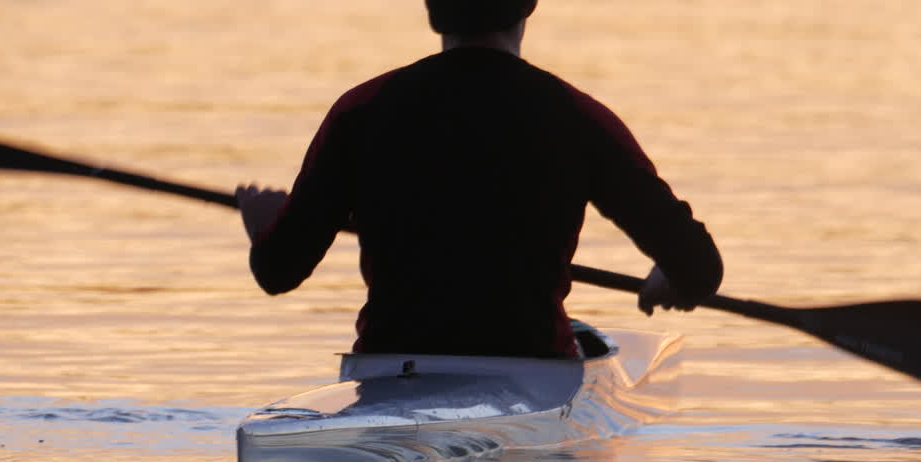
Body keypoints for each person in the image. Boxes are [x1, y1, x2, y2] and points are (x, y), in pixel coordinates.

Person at [236, 0, 722, 358]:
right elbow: (701, 268)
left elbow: (278, 271)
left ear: (431, 11)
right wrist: (671, 277)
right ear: (529, 6)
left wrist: (263, 225)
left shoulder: (360, 111)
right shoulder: (577, 117)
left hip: (389, 370)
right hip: (533, 368)